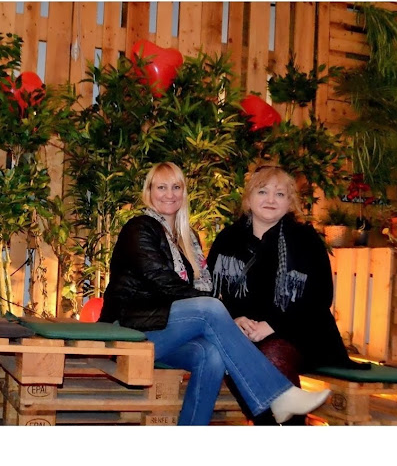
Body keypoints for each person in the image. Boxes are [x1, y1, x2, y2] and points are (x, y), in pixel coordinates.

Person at [100, 162, 331, 425]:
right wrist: (222, 316)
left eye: (176, 187)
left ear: (184, 192)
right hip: (131, 327)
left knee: (211, 355)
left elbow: (208, 288)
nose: (169, 194)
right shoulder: (139, 228)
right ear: (149, 192)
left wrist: (228, 321)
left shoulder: (187, 238)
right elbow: (165, 284)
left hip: (164, 330)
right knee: (209, 309)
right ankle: (277, 394)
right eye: (161, 187)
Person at [207, 164, 370, 425]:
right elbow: (211, 292)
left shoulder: (305, 239)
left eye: (280, 194)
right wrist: (234, 320)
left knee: (269, 353)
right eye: (263, 192)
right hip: (242, 333)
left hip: (301, 333)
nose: (271, 200)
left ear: (290, 202)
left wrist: (272, 325)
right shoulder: (228, 239)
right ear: (249, 198)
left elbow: (320, 297)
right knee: (230, 353)